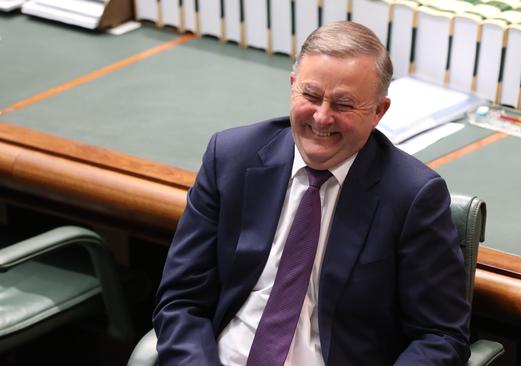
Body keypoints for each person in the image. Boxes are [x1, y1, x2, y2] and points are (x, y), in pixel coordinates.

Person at [153, 21, 470, 365]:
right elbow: (181, 300)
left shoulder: (412, 197)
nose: (321, 117)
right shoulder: (231, 157)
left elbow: (440, 337)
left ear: (379, 111)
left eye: (344, 105)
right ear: (293, 87)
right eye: (312, 96)